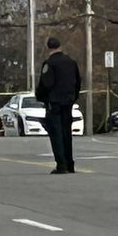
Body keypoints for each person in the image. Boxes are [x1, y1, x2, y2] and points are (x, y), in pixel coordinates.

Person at [36, 36, 82, 175]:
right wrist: (73, 97)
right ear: (60, 46)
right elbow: (78, 82)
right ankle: (70, 164)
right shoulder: (71, 63)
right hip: (68, 102)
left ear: (48, 47)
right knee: (67, 133)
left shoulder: (49, 64)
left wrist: (41, 97)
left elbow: (46, 84)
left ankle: (61, 165)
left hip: (54, 103)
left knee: (56, 134)